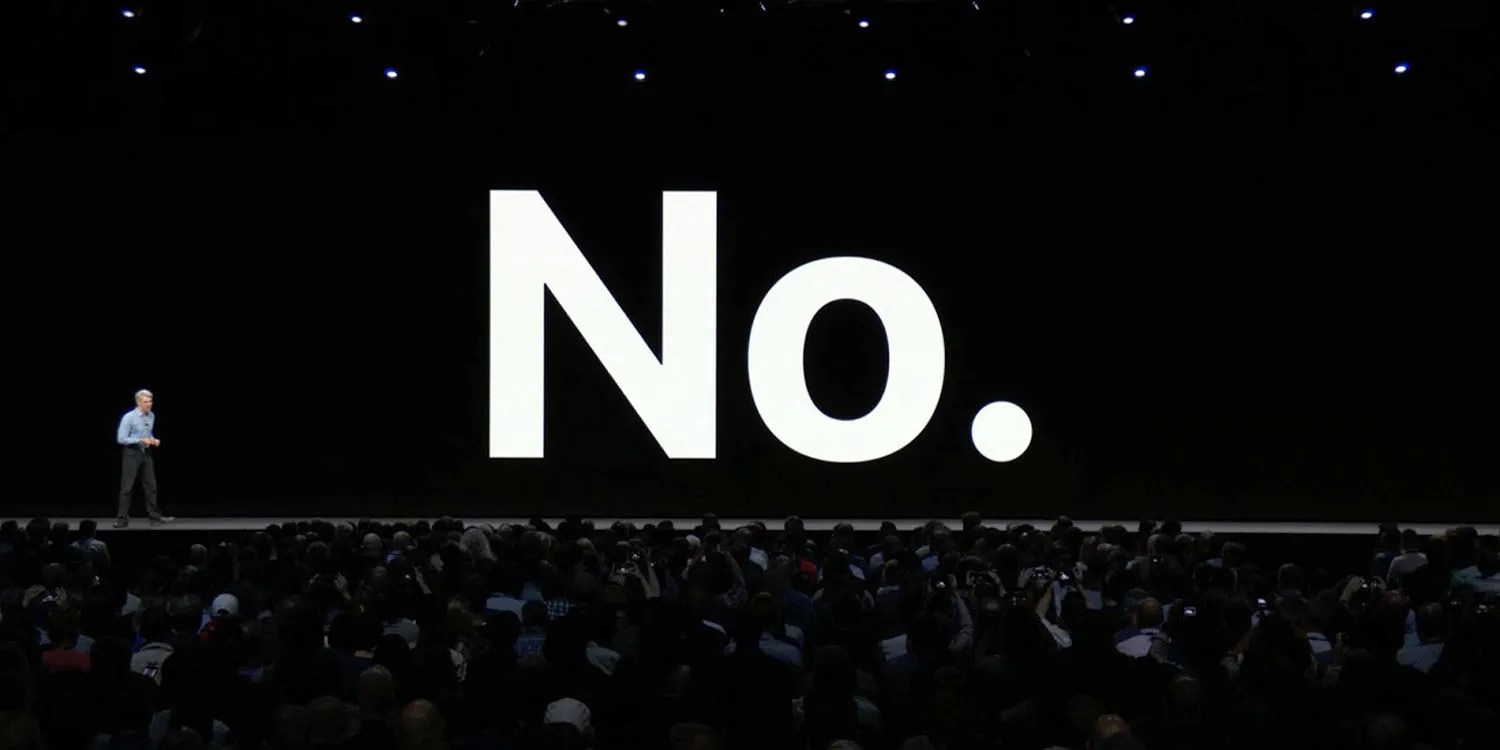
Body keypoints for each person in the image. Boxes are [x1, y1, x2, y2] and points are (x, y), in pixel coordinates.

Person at [116, 389, 173, 528]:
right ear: (138, 402)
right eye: (146, 402)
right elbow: (121, 439)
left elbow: (148, 432)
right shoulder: (129, 417)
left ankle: (155, 517)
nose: (149, 404)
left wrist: (153, 439)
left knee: (151, 486)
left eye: (150, 401)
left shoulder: (151, 415)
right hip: (132, 454)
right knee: (127, 488)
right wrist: (140, 440)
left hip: (146, 453)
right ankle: (122, 519)